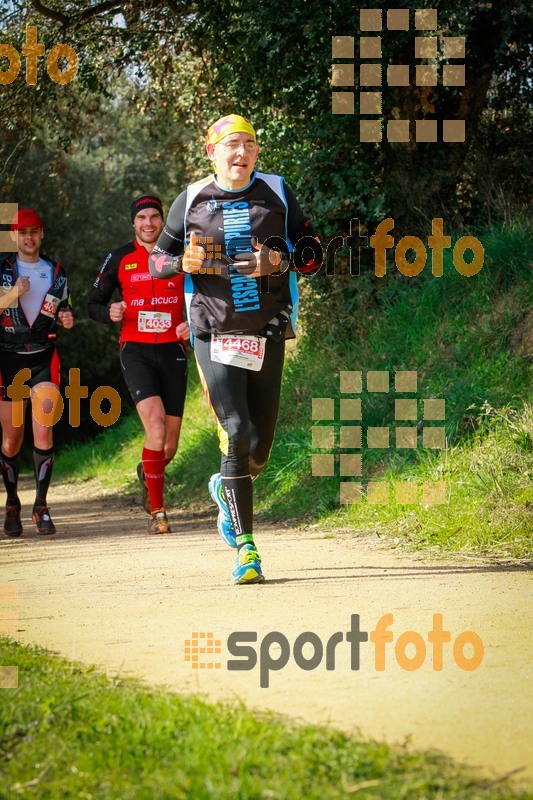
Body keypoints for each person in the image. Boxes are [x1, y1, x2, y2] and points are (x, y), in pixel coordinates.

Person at [149, 114, 322, 583]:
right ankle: (247, 550)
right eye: (231, 145)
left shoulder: (278, 191)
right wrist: (177, 262)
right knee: (236, 429)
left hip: (267, 328)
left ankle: (227, 488)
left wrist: (283, 258)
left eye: (248, 144)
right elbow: (158, 258)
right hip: (214, 329)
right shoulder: (190, 199)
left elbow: (312, 250)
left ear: (257, 152)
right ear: (212, 152)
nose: (240, 153)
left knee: (259, 447)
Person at [88, 195, 189, 534]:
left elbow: (204, 295)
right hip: (136, 349)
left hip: (174, 349)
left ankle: (147, 473)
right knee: (156, 429)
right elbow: (93, 303)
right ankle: (157, 512)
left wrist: (192, 322)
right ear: (133, 222)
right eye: (142, 217)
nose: (148, 223)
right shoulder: (119, 258)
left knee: (169, 445)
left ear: (162, 221)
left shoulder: (181, 253)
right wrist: (108, 312)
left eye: (154, 217)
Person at [0, 208, 74, 537]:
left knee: (44, 431)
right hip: (8, 358)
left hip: (44, 356)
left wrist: (66, 317)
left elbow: (62, 305)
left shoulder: (56, 271)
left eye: (34, 231)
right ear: (14, 236)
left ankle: (41, 505)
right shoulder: (2, 269)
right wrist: (14, 292)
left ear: (42, 235)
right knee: (12, 439)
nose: (29, 237)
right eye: (23, 231)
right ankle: (12, 502)